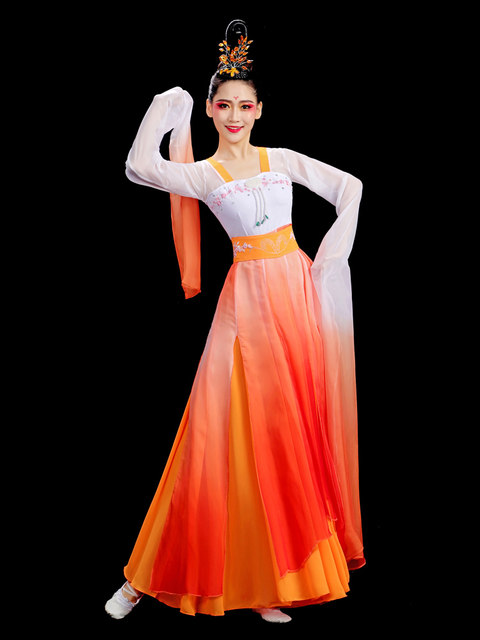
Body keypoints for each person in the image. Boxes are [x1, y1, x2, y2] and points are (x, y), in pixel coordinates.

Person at [105, 19, 365, 624]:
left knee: (285, 436)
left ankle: (269, 583)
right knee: (211, 432)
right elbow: (138, 166)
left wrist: (328, 263)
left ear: (259, 109)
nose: (234, 115)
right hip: (245, 303)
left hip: (295, 299)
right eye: (223, 105)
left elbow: (350, 187)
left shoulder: (281, 159)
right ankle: (140, 581)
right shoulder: (202, 173)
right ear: (210, 109)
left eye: (245, 105)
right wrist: (165, 106)